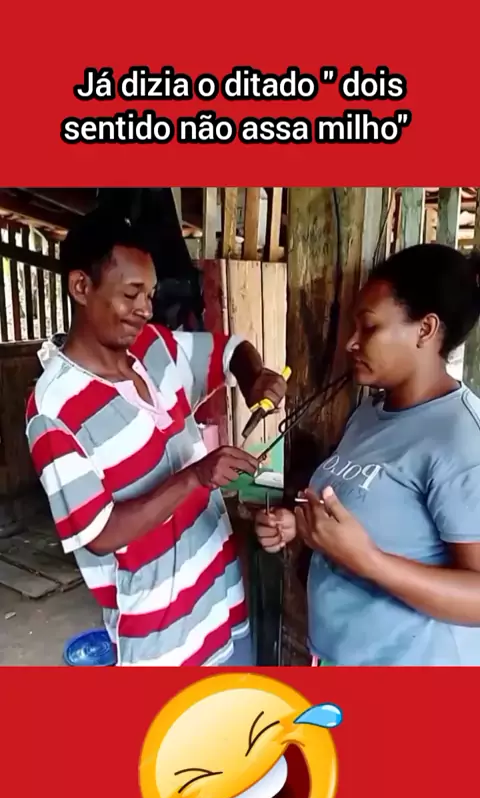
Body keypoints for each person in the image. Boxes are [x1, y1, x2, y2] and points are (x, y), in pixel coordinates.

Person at [26, 210, 287, 667]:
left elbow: (229, 350)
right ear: (82, 287)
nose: (146, 309)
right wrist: (196, 477)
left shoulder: (153, 346)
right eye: (131, 295)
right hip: (161, 637)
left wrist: (254, 378)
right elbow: (100, 533)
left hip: (222, 596)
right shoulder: (54, 410)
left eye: (149, 295)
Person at [255, 242, 480, 666]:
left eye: (369, 327)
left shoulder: (462, 438)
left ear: (426, 329)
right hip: (340, 658)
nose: (351, 343)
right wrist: (299, 526)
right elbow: (372, 517)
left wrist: (370, 562)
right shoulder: (370, 412)